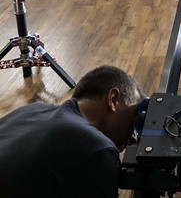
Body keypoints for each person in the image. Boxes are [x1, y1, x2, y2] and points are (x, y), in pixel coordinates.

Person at [0, 65, 147, 198]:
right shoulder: (96, 149)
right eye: (135, 115)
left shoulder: (30, 110)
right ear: (113, 99)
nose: (134, 139)